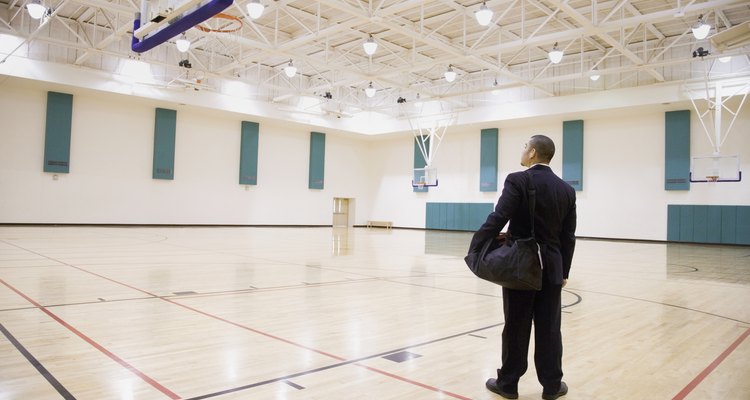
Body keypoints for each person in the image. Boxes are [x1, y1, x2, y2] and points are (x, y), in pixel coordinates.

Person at [468, 134, 576, 400]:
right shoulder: (566, 189)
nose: (523, 149)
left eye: (525, 146)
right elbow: (568, 236)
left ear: (532, 153)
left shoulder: (518, 179)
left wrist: (476, 245)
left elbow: (499, 217)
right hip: (551, 267)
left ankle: (508, 383)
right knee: (550, 327)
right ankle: (552, 386)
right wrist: (563, 272)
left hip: (521, 266)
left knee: (516, 326)